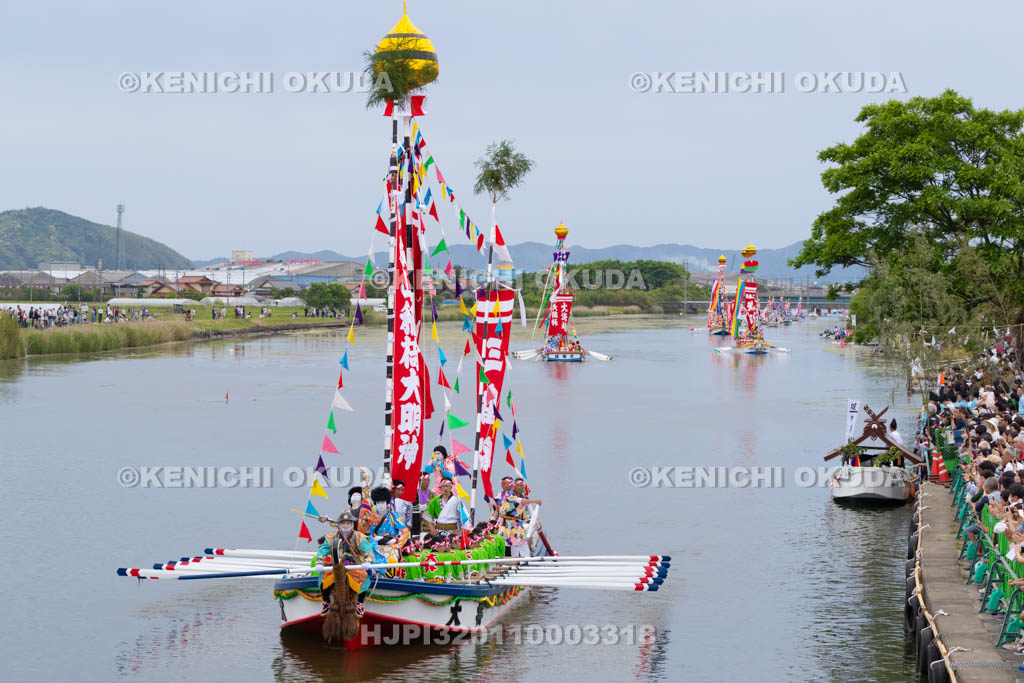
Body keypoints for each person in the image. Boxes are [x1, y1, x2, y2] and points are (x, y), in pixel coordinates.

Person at [497, 478, 542, 558]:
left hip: (516, 523)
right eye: (518, 485)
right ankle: (502, 560)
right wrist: (535, 501)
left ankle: (523, 560)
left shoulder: (525, 497)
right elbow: (520, 500)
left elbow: (531, 511)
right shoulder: (509, 494)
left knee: (521, 542)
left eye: (521, 485)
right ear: (514, 486)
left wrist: (538, 522)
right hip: (505, 522)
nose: (520, 487)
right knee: (502, 542)